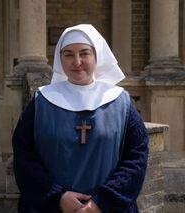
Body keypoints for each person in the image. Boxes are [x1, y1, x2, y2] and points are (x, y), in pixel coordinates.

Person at [12, 24, 149, 213]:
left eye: (84, 53)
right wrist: (57, 197)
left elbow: (136, 158)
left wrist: (102, 202)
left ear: (96, 56)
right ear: (60, 59)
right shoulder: (41, 102)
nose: (77, 62)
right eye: (68, 54)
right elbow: (23, 155)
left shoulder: (121, 102)